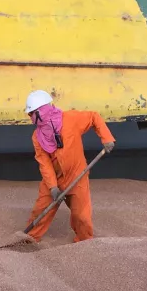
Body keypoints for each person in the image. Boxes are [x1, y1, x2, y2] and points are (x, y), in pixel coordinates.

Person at [23, 89, 115, 243]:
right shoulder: (37, 137)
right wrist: (52, 187)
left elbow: (93, 117)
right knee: (40, 211)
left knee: (82, 216)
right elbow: (44, 163)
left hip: (77, 175)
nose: (30, 118)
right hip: (53, 180)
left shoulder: (71, 119)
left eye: (32, 113)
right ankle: (28, 240)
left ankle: (84, 242)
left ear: (42, 111)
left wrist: (106, 138)